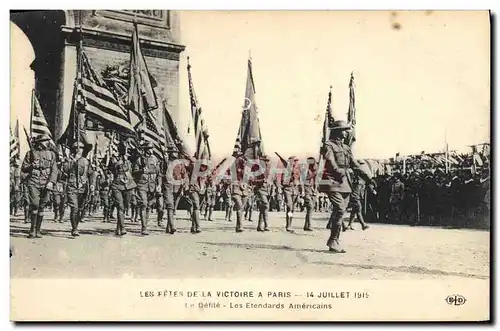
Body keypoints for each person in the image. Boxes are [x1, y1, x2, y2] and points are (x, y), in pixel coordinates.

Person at [319, 120, 374, 253]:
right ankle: (333, 240)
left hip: (344, 183)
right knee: (340, 208)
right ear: (337, 131)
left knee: (340, 212)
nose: (347, 132)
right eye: (344, 130)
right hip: (331, 181)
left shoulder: (346, 148)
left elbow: (355, 165)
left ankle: (334, 239)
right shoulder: (329, 145)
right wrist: (341, 171)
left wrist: (369, 178)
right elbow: (331, 162)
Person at [21, 136, 58, 238]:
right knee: (35, 204)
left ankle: (38, 230)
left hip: (46, 182)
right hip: (33, 181)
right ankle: (32, 229)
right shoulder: (30, 153)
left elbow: (54, 170)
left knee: (42, 206)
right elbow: (24, 168)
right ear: (40, 143)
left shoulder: (51, 154)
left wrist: (51, 181)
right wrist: (32, 165)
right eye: (45, 141)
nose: (47, 143)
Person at [62, 141, 96, 237]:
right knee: (74, 208)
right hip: (72, 187)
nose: (79, 150)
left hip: (83, 187)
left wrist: (92, 184)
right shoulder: (68, 160)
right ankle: (74, 229)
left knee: (80, 209)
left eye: (81, 148)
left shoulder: (86, 161)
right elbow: (66, 171)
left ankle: (76, 225)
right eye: (77, 148)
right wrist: (73, 161)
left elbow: (91, 173)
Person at [133, 141, 162, 235]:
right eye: (149, 148)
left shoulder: (155, 159)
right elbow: (134, 172)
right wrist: (141, 170)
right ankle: (143, 227)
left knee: (149, 206)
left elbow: (159, 174)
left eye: (151, 148)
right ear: (145, 149)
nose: (151, 150)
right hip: (142, 184)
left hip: (152, 185)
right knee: (144, 204)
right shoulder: (139, 159)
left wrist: (159, 185)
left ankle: (145, 225)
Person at [109, 141, 137, 236]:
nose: (124, 150)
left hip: (128, 185)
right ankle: (123, 228)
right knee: (120, 207)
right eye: (122, 148)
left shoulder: (129, 159)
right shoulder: (114, 158)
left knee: (124, 207)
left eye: (125, 148)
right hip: (117, 185)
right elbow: (112, 169)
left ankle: (118, 227)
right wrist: (119, 162)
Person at [254, 155, 271, 232]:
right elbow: (252, 180)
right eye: (265, 161)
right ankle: (266, 225)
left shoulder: (268, 170)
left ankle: (259, 226)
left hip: (266, 190)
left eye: (268, 161)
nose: (267, 162)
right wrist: (261, 181)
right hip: (259, 189)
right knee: (266, 205)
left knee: (262, 208)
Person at [300, 157, 317, 231]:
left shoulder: (314, 170)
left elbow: (316, 181)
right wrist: (302, 191)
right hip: (306, 189)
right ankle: (309, 225)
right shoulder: (305, 170)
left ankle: (306, 225)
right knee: (310, 206)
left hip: (312, 190)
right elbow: (302, 180)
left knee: (310, 208)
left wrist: (315, 190)